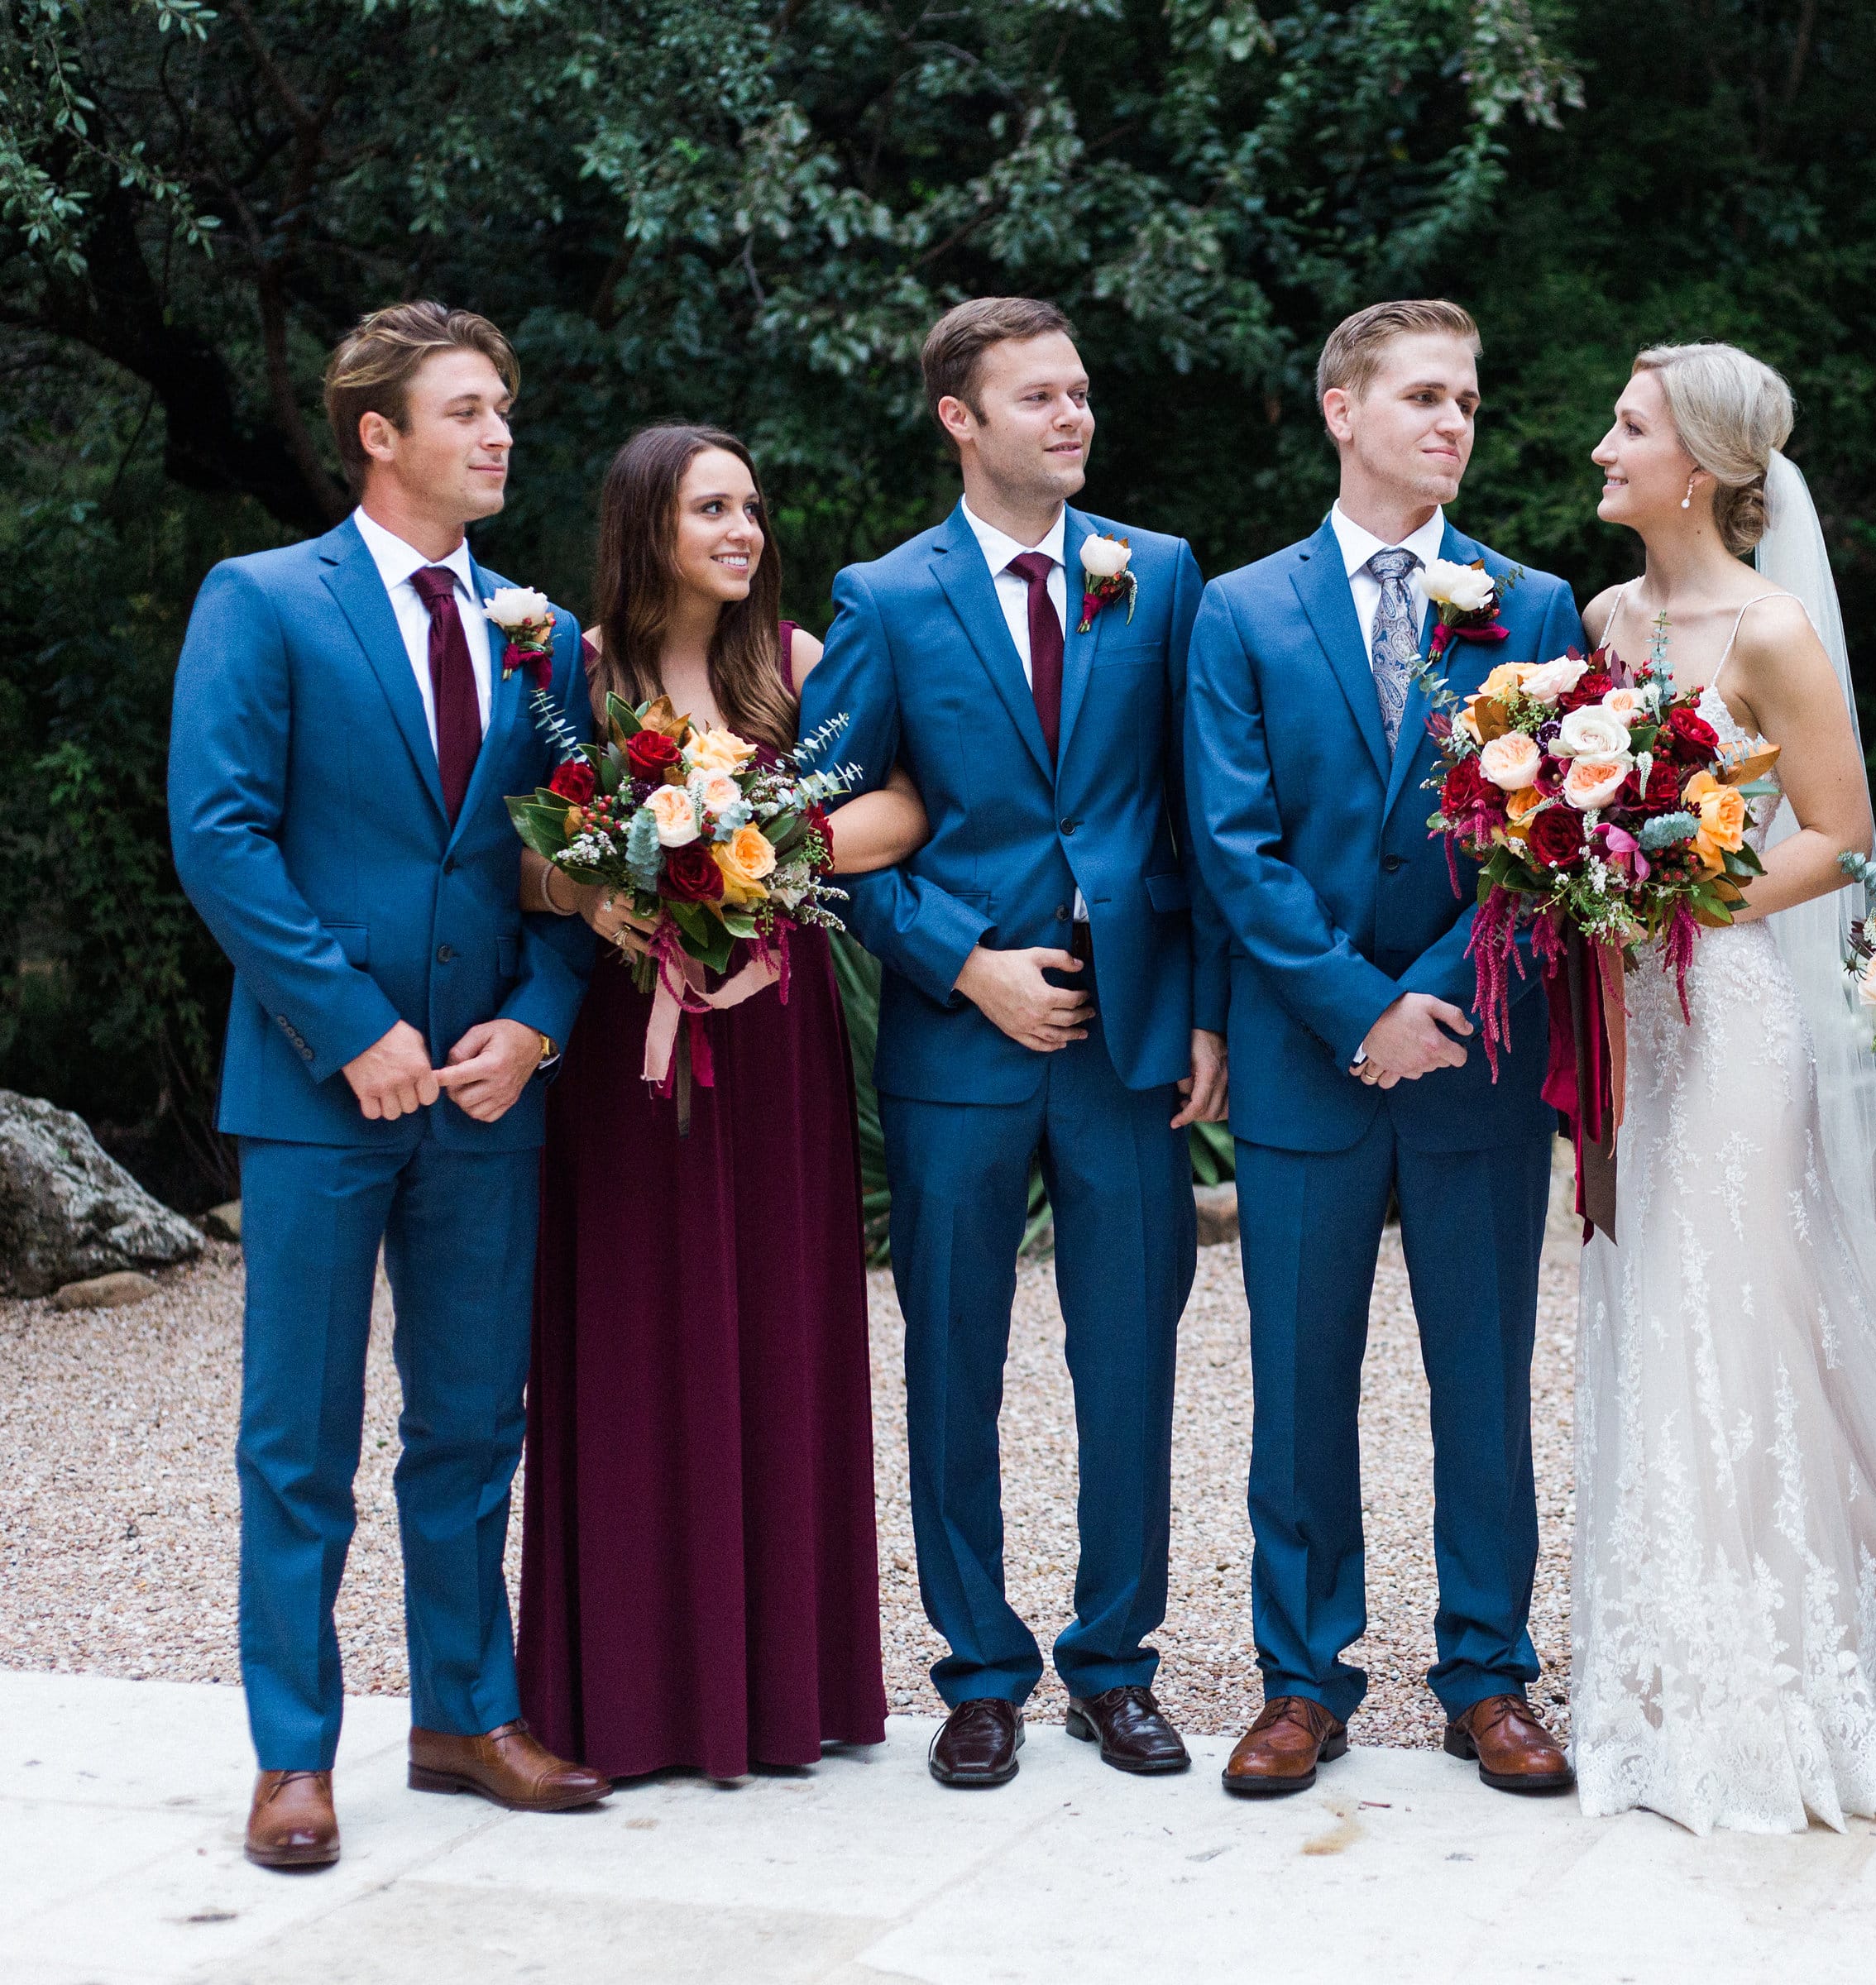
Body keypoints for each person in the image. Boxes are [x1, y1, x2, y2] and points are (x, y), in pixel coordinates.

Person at [168, 301, 611, 1869]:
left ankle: (461, 1715)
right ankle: (295, 1755)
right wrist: (349, 1026)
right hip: (316, 1092)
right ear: (381, 433)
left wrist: (538, 1023)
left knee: (471, 1422)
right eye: (470, 412)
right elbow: (220, 834)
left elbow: (581, 870)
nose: (501, 436)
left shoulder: (539, 632)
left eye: (505, 410)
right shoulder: (263, 599)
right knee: (299, 1434)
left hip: (488, 1097)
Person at [797, 297, 1226, 1792]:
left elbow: (1202, 810)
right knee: (953, 1362)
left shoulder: (1157, 576)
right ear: (959, 420)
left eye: (1081, 393)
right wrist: (962, 965)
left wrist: (1207, 1012)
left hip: (1125, 1042)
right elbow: (826, 841)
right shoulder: (885, 597)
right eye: (1037, 396)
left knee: (1131, 1363)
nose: (1073, 416)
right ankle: (978, 1672)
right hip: (956, 1047)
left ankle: (1115, 1666)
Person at [1184, 299, 1584, 1799]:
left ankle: (1489, 1673)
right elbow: (1234, 844)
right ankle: (1304, 1679)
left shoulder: (1527, 606)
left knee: (1484, 1382)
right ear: (1340, 410)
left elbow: (1545, 838)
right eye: (1422, 396)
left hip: (1475, 1052)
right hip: (1309, 1065)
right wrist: (1359, 1010)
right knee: (1299, 1386)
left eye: (1468, 401)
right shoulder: (1242, 609)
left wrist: (1433, 1003)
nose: (1453, 423)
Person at [1565, 343, 1876, 1834]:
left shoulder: (1774, 630)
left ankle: (1769, 1678)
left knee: (1722, 1310)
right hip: (1633, 1023)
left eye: (1629, 424)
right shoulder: (1608, 618)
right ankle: (1659, 1658)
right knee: (1641, 1292)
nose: (1604, 445)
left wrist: (1682, 894)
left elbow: (1843, 839)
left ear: (1710, 469)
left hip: (1729, 1016)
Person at [512, 423, 925, 1781]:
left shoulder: (795, 666)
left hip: (771, 1039)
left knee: (777, 1328)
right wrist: (625, 881)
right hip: (626, 1048)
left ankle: (785, 1688)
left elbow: (901, 810)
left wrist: (743, 843)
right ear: (648, 526)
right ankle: (630, 1691)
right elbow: (522, 864)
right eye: (713, 508)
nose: (745, 530)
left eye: (752, 505)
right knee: (636, 1330)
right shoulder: (574, 675)